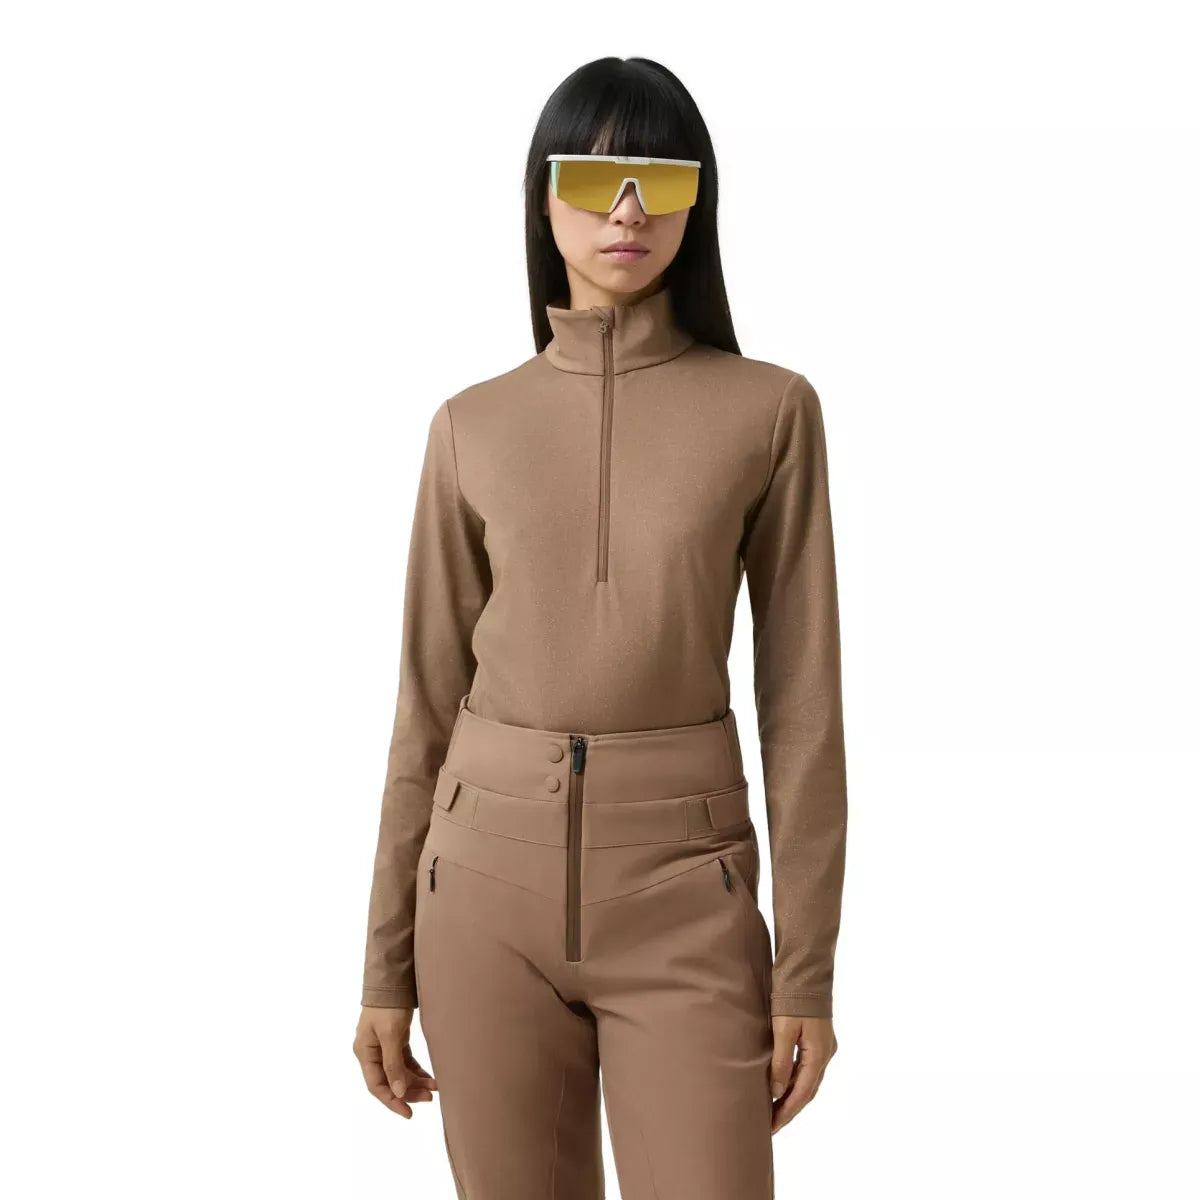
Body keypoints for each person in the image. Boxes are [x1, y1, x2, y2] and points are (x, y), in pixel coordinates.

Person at [352, 55, 848, 1200]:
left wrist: (808, 973)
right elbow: (424, 705)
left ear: (698, 201)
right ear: (543, 196)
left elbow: (804, 708)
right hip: (480, 890)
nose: (627, 212)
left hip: (685, 889)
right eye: (593, 178)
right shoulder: (471, 425)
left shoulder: (770, 410)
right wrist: (384, 965)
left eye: (660, 181)